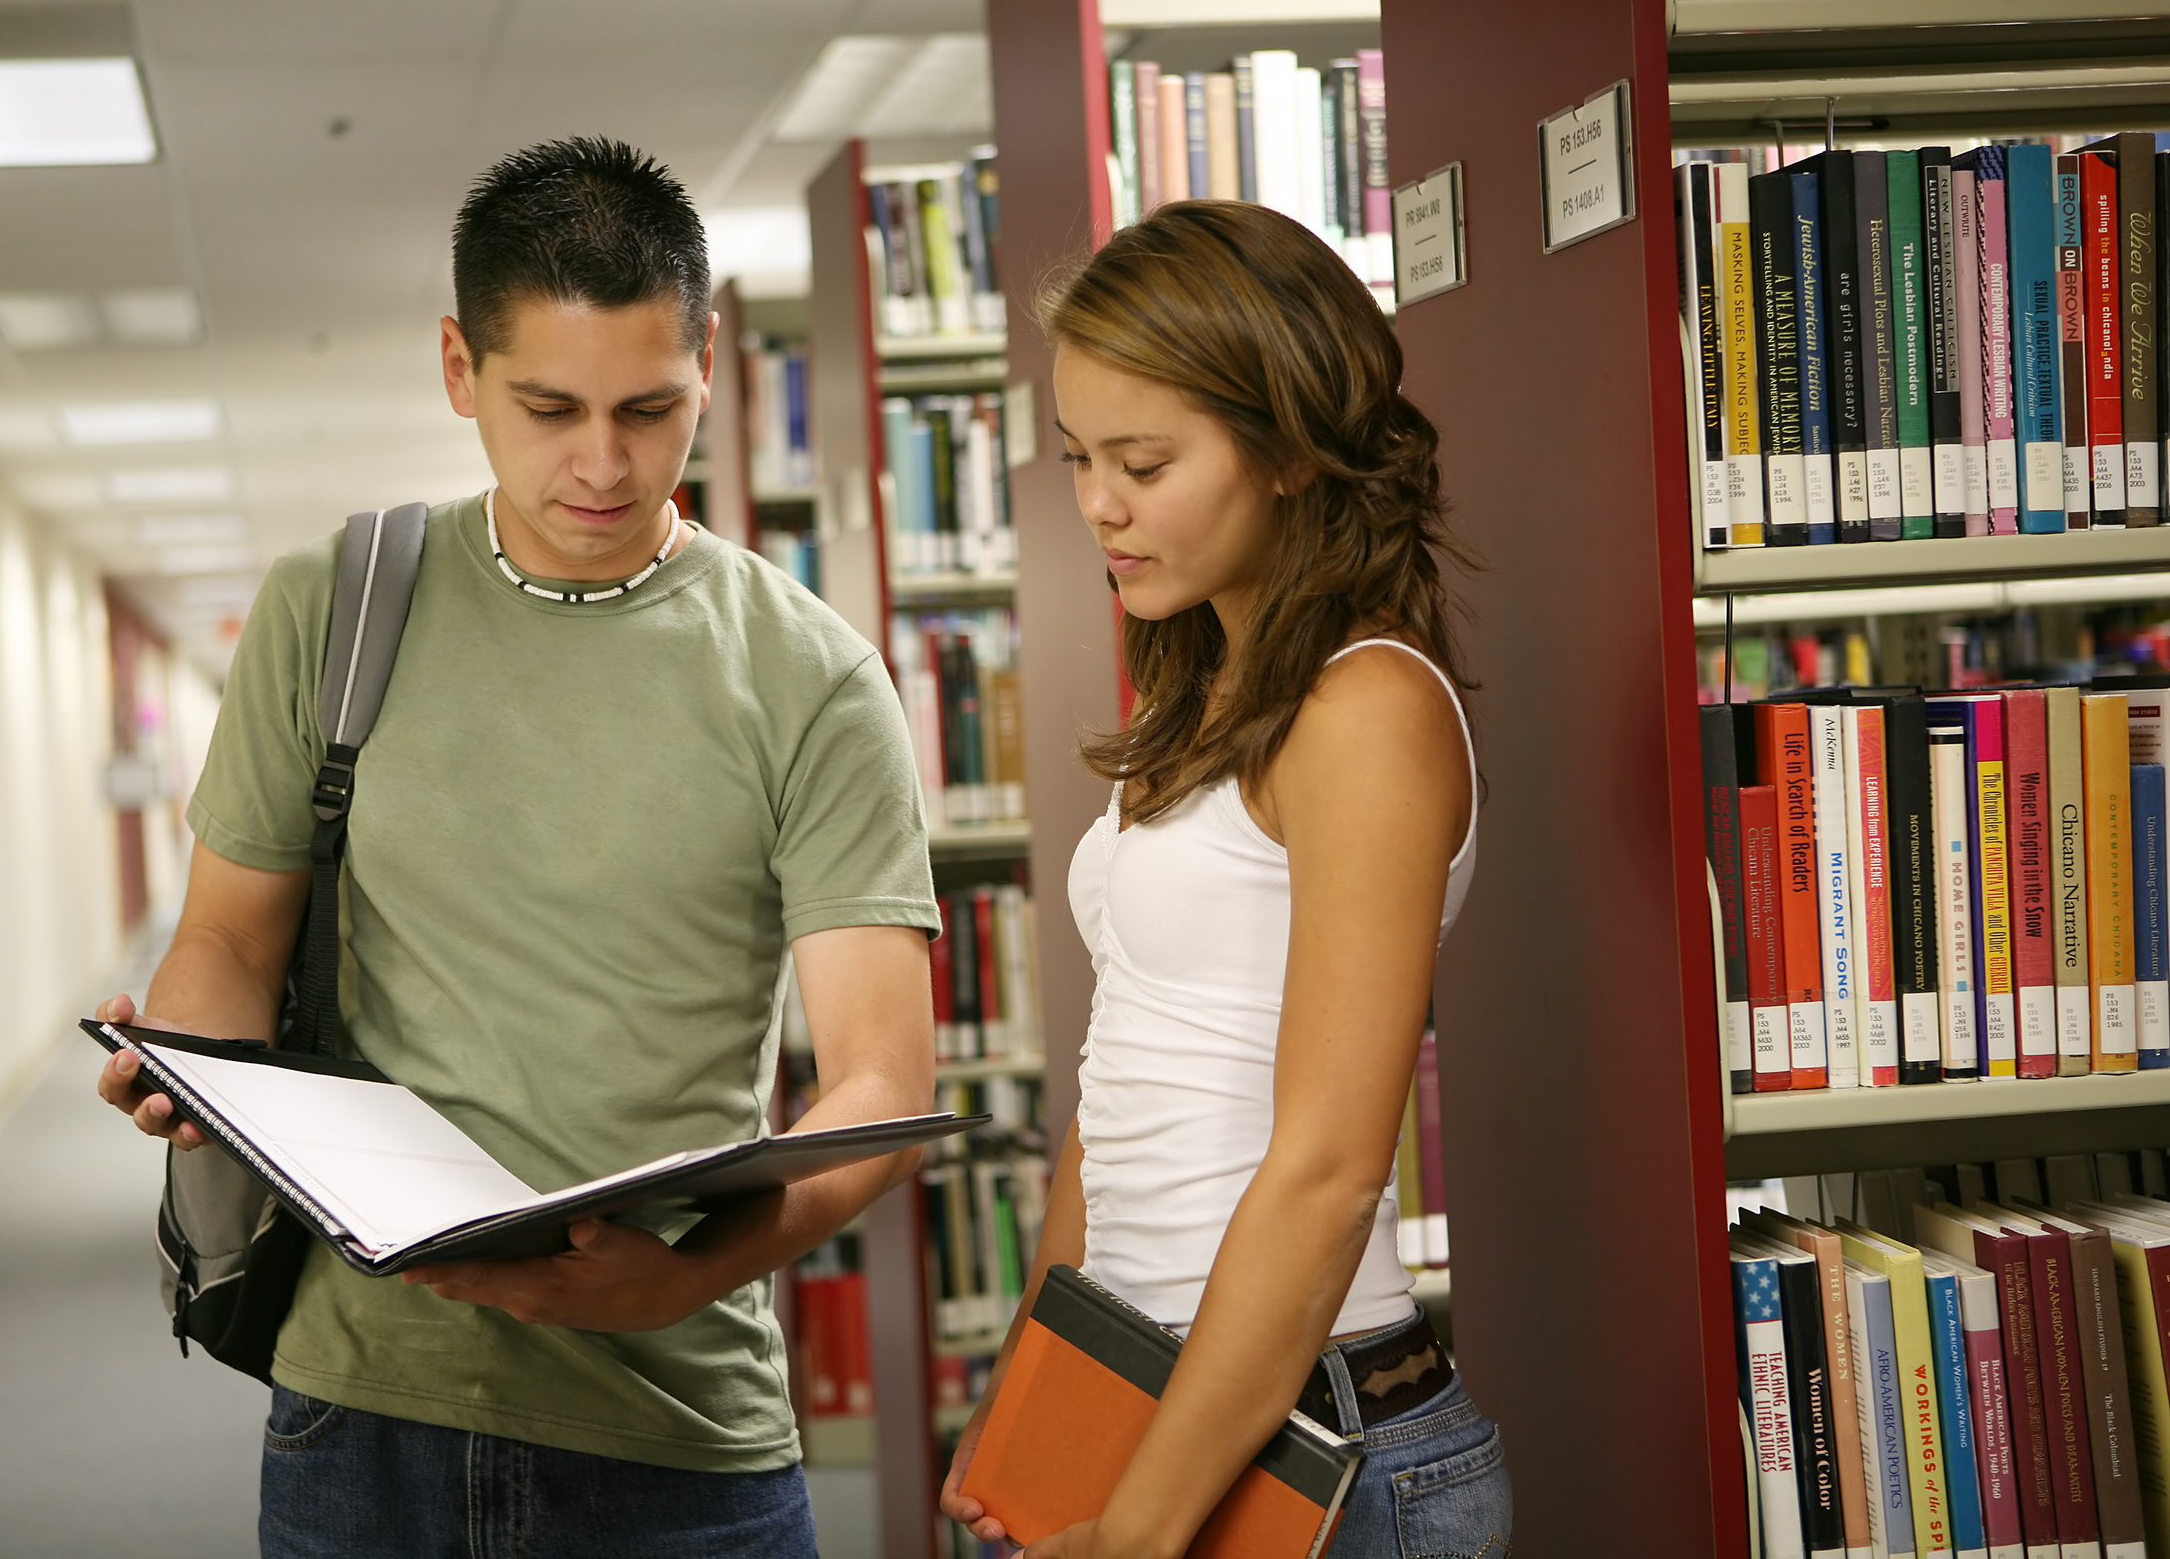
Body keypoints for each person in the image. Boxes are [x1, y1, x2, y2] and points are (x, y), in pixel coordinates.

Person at [93, 137, 940, 1558]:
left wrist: (680, 1282)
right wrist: (200, 1068)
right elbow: (231, 939)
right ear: (455, 368)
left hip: (684, 1434)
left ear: (711, 363)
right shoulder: (332, 610)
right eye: (548, 408)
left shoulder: (814, 677)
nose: (602, 466)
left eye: (650, 409)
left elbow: (877, 1078)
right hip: (362, 1414)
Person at [940, 199, 1509, 1559]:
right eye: (1080, 456)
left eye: (1141, 459)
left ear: (1288, 449)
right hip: (1136, 1393)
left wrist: (1139, 1533)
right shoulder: (1205, 692)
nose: (1098, 503)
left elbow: (1324, 1169)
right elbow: (1117, 1087)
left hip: (1314, 1448)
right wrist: (1033, 1387)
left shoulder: (1366, 709)